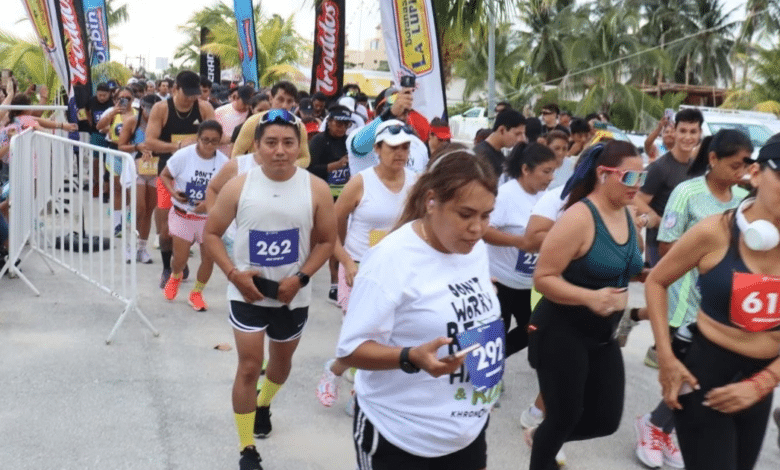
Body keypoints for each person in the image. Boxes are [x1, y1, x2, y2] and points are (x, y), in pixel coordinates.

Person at [336, 150, 502, 470]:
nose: (477, 228)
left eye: (486, 216)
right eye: (465, 214)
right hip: (400, 437)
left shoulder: (475, 250)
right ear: (431, 201)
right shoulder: (390, 259)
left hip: (467, 432)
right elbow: (350, 350)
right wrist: (410, 356)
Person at [203, 109, 336, 470]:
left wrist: (301, 279)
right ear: (257, 146)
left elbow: (327, 241)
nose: (280, 150)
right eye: (271, 142)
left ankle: (264, 404)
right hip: (247, 293)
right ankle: (247, 448)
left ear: (299, 146)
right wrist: (233, 275)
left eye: (288, 143)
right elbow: (211, 233)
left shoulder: (316, 188)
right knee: (249, 367)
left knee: (280, 364)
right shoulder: (239, 185)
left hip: (293, 296)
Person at [644, 134, 780, 470]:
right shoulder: (714, 232)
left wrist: (763, 382)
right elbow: (657, 281)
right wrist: (666, 357)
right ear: (756, 174)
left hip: (761, 384)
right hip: (705, 375)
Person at [527, 141, 645, 470]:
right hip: (561, 331)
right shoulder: (578, 217)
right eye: (629, 176)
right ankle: (545, 445)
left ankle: (543, 437)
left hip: (603, 335)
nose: (637, 185)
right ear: (603, 174)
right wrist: (590, 297)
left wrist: (648, 275)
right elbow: (543, 277)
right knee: (562, 417)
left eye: (642, 177)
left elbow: (627, 265)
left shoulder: (627, 213)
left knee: (606, 420)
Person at [315, 118, 418, 410]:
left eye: (405, 148)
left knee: (385, 337)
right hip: (359, 267)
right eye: (393, 147)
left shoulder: (416, 182)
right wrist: (347, 263)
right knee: (361, 337)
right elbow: (329, 229)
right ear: (377, 149)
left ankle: (358, 394)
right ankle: (335, 371)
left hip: (396, 268)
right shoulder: (360, 182)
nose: (400, 153)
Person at [483, 143, 556, 360]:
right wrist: (520, 242)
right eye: (546, 171)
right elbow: (484, 230)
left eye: (553, 171)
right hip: (500, 281)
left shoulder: (547, 198)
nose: (551, 178)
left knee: (535, 328)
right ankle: (483, 370)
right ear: (525, 169)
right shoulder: (506, 195)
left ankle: (496, 359)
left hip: (528, 285)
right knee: (493, 335)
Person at [145, 70, 216, 288]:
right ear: (175, 89)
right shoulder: (161, 109)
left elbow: (215, 136)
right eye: (188, 94)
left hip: (197, 176)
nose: (192, 98)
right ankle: (167, 268)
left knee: (196, 225)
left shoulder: (204, 108)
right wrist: (177, 146)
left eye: (195, 94)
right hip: (168, 174)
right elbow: (150, 142)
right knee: (166, 229)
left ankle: (180, 261)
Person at [160, 120, 228, 310]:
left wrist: (208, 204)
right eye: (205, 140)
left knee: (209, 258)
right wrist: (174, 193)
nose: (209, 145)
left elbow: (227, 190)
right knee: (180, 259)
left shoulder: (224, 163)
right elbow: (165, 175)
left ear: (220, 141)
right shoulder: (184, 155)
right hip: (184, 214)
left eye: (214, 141)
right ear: (198, 138)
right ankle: (175, 276)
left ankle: (197, 293)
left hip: (209, 219)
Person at [634, 108, 703, 268]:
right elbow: (635, 200)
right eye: (683, 131)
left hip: (687, 246)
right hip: (659, 247)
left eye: (693, 132)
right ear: (675, 132)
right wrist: (660, 221)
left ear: (700, 134)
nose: (687, 137)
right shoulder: (659, 167)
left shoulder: (698, 168)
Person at [307, 104, 353, 303]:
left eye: (346, 124)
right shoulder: (319, 141)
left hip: (341, 201)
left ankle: (335, 285)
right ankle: (302, 275)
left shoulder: (350, 142)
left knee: (337, 241)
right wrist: (333, 166)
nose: (342, 127)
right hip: (319, 199)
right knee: (311, 243)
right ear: (329, 122)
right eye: (338, 123)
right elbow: (308, 168)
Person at [119, 93, 161, 263]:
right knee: (138, 208)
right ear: (142, 106)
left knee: (149, 210)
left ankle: (142, 248)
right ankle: (129, 246)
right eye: (149, 109)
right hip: (136, 169)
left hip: (155, 169)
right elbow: (121, 146)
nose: (151, 112)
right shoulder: (132, 122)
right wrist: (138, 146)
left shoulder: (163, 122)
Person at [231, 81, 310, 168]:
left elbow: (305, 158)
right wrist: (256, 170)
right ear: (271, 99)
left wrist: (286, 168)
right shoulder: (253, 122)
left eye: (289, 101)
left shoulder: (299, 126)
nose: (284, 105)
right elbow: (236, 154)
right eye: (280, 99)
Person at [473, 109, 526, 180]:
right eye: (517, 134)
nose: (522, 139)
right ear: (502, 130)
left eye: (523, 134)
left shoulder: (497, 153)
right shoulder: (482, 155)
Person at [215, 85, 251, 156]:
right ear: (235, 98)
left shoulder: (252, 113)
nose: (247, 106)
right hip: (221, 155)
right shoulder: (220, 112)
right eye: (244, 103)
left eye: (249, 103)